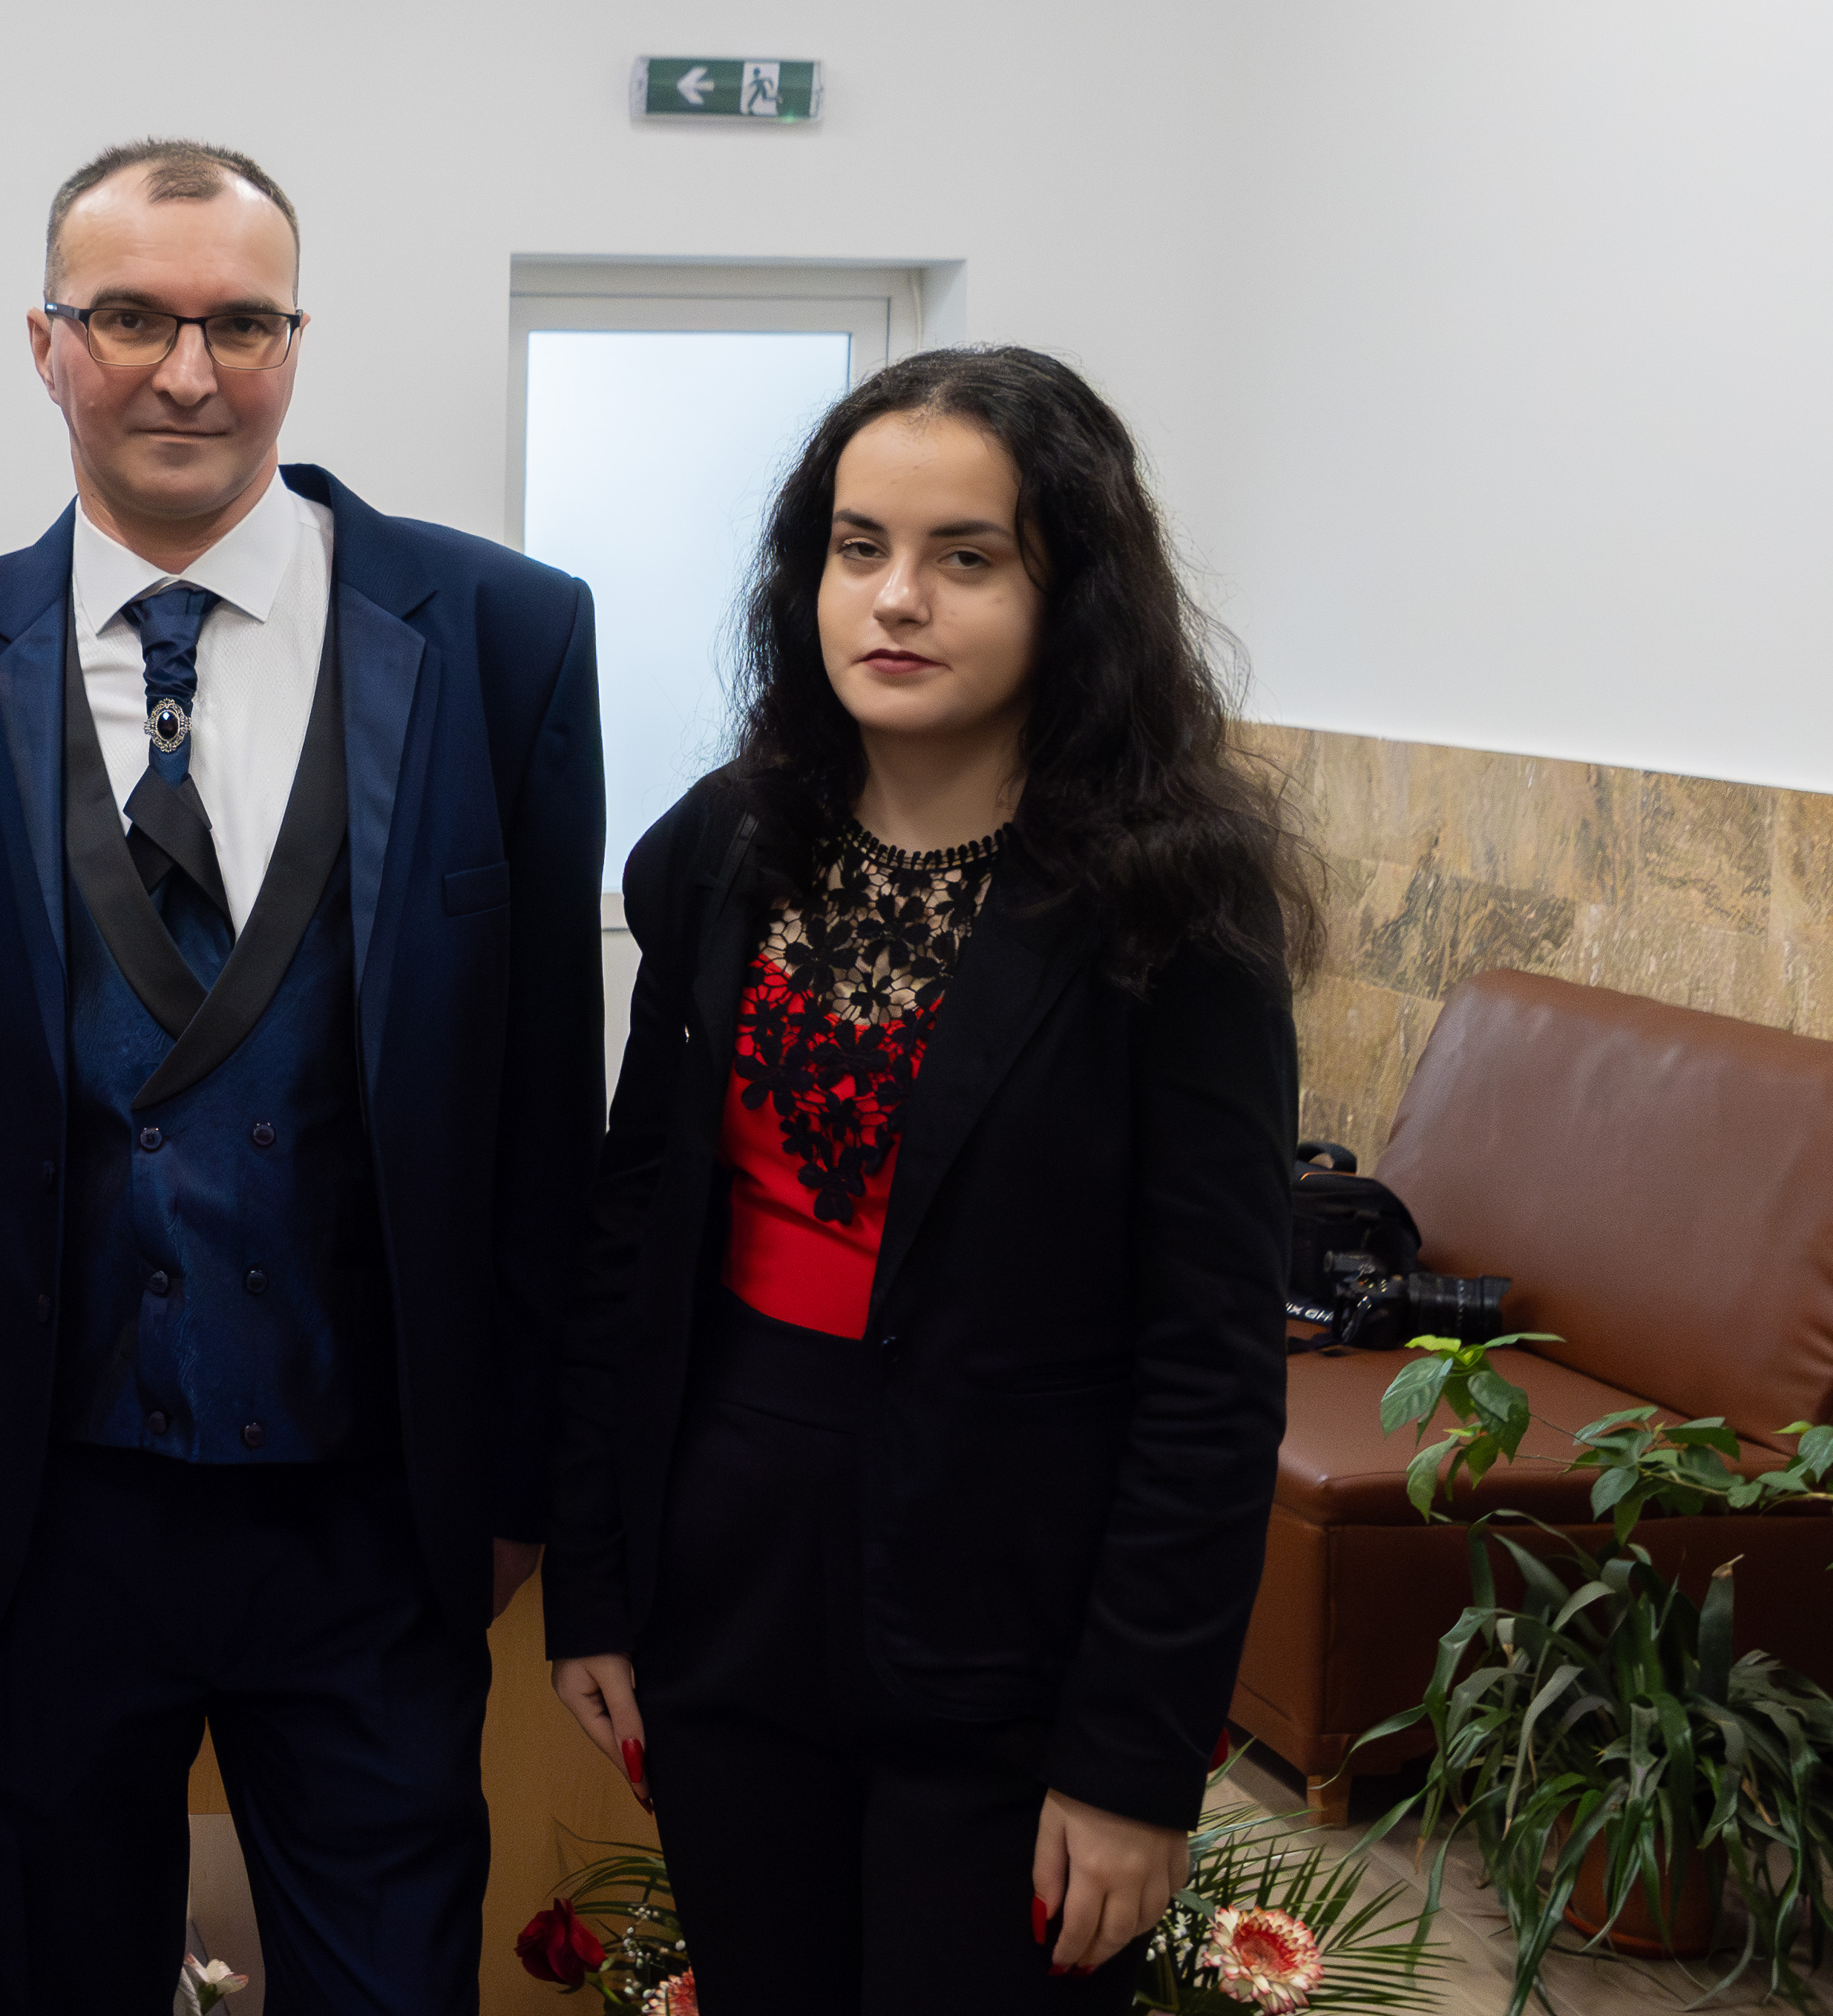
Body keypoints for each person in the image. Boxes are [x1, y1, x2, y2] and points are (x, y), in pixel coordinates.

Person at [0, 139, 605, 2009]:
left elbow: (542, 1108)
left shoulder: (505, 637)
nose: (189, 371)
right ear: (45, 343)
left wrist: (524, 1486)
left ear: (295, 342)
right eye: (131, 319)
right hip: (40, 1523)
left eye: (240, 323)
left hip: (375, 1523)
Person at [544, 347, 1304, 2012]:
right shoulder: (718, 846)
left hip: (1013, 1634)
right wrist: (591, 1584)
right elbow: (634, 1233)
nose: (896, 598)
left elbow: (1210, 1368)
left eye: (965, 556)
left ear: (1070, 596)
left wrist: (1132, 1757)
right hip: (728, 1599)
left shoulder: (1175, 910)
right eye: (856, 546)